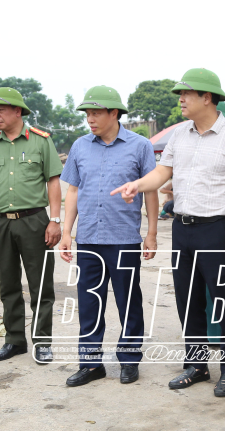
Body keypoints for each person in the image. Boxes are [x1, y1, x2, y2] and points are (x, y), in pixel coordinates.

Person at [113, 68, 225, 398]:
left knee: (224, 299)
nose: (181, 99)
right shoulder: (180, 134)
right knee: (188, 300)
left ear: (207, 98)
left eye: (186, 94)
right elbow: (162, 172)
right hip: (182, 229)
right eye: (180, 95)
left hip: (216, 229)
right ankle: (197, 365)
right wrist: (137, 185)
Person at [58, 86, 158, 386]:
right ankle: (91, 364)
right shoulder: (80, 146)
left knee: (129, 302)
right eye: (87, 114)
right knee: (90, 303)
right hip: (89, 238)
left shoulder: (140, 146)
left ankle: (129, 360)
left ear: (114, 113)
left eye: (96, 113)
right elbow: (73, 190)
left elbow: (151, 191)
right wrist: (67, 232)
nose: (90, 119)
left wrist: (151, 233)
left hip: (124, 239)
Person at [0, 87, 63, 364]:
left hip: (34, 221)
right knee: (8, 285)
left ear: (17, 111)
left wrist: (55, 219)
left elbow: (53, 180)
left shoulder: (41, 141)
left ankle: (42, 342)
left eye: (0, 110)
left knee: (40, 285)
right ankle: (14, 340)